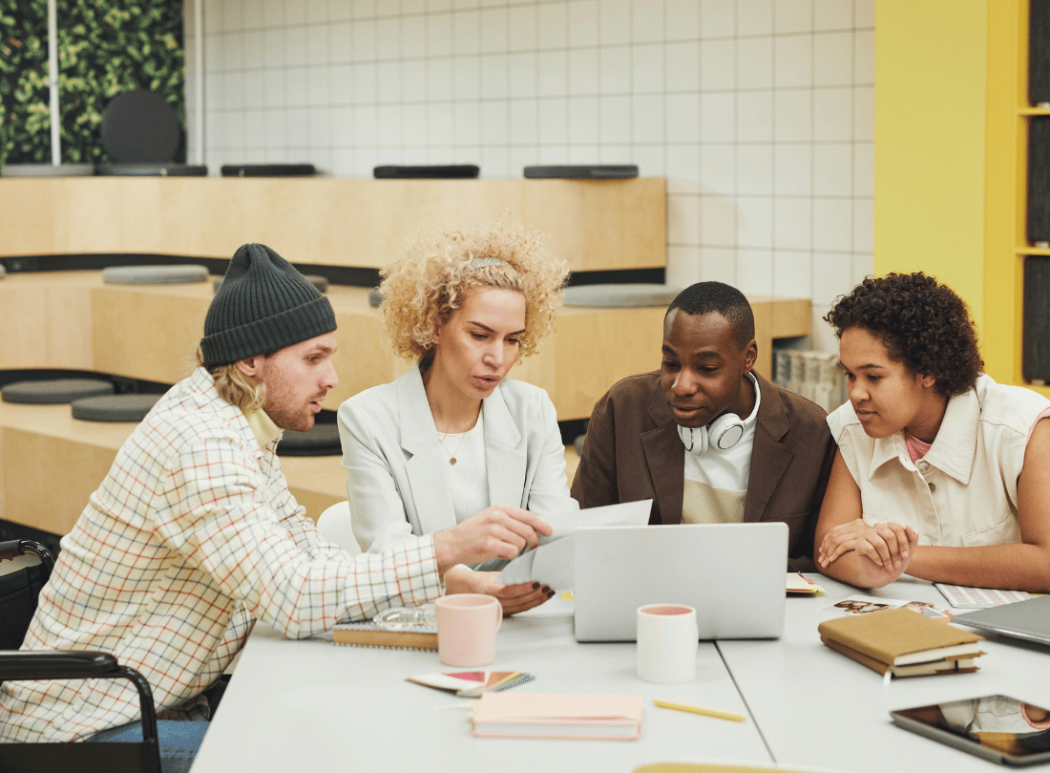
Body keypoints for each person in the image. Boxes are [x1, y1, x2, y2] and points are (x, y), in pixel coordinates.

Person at [0, 244, 552, 762]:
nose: (332, 378)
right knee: (321, 754)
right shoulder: (202, 445)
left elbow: (310, 560)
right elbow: (292, 598)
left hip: (153, 706)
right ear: (249, 363)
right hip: (83, 734)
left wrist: (454, 584)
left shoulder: (242, 429)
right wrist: (444, 550)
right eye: (313, 359)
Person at [337, 224, 577, 615]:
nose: (497, 358)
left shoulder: (533, 409)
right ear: (435, 325)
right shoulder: (367, 418)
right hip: (425, 618)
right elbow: (387, 556)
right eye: (480, 335)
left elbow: (556, 533)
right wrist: (470, 587)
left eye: (513, 339)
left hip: (524, 620)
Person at [571, 281, 836, 571]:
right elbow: (583, 536)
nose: (681, 386)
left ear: (748, 357)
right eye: (671, 364)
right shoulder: (621, 409)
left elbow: (821, 560)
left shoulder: (811, 432)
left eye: (706, 369)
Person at [814, 272, 1050, 591]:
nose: (855, 393)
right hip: (896, 623)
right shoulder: (852, 425)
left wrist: (903, 557)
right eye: (850, 375)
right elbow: (828, 550)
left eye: (873, 376)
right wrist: (866, 569)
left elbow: (1046, 563)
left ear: (928, 371)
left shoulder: (1022, 426)